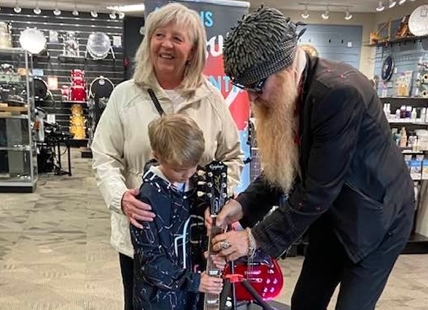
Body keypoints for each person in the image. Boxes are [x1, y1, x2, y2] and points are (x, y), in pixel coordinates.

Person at [207, 6, 415, 310]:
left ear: (286, 68)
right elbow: (283, 167)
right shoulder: (292, 90)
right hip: (332, 214)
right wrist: (242, 205)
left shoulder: (338, 94)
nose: (252, 98)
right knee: (305, 301)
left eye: (256, 87)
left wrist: (254, 240)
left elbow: (318, 189)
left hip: (377, 220)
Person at [91, 3, 243, 310]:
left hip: (196, 241)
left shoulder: (211, 100)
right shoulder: (124, 96)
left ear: (193, 49)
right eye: (159, 35)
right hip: (143, 237)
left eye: (178, 37)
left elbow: (232, 157)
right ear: (149, 42)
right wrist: (120, 197)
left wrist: (219, 204)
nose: (166, 44)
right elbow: (104, 157)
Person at [131, 114, 224, 310]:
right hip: (159, 300)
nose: (189, 174)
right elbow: (150, 263)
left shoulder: (197, 185)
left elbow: (197, 240)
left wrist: (211, 252)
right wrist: (193, 281)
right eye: (180, 169)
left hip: (193, 295)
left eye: (194, 166)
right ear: (156, 155)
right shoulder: (145, 200)